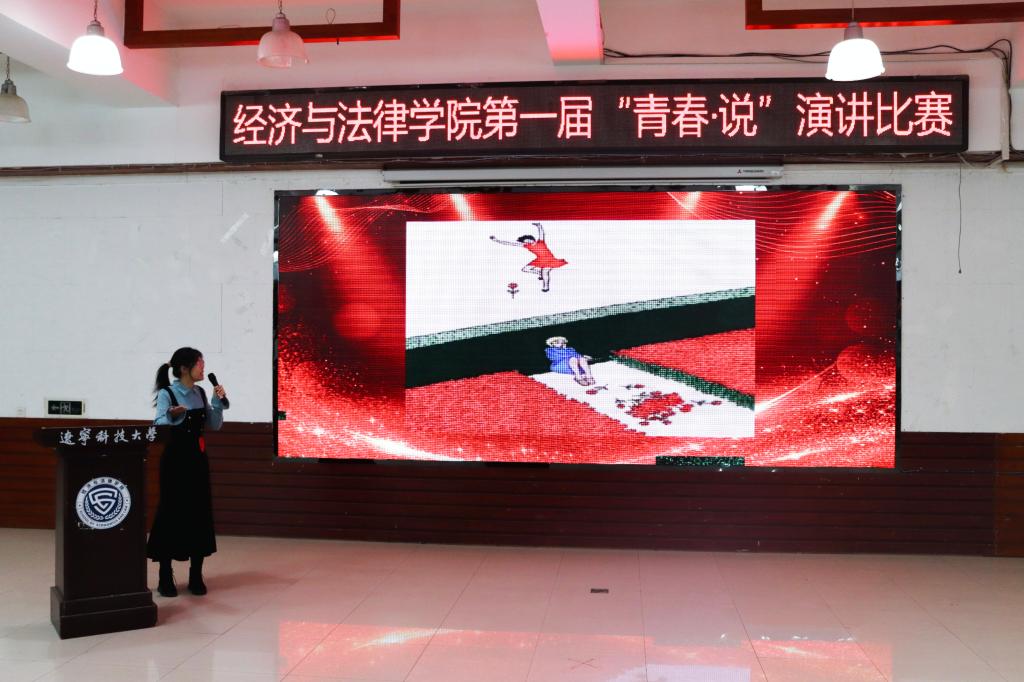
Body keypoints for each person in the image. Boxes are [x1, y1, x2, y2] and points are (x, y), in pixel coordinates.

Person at [147, 347, 227, 597]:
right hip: (175, 461)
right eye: (199, 364)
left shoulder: (200, 393)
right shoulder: (168, 393)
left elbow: (214, 424)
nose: (203, 368)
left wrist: (218, 402)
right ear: (184, 368)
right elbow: (158, 425)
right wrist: (172, 415)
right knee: (171, 513)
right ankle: (165, 575)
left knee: (198, 513)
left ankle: (195, 574)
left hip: (197, 460)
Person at [490, 222, 568, 292]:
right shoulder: (527, 246)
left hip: (550, 259)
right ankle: (539, 273)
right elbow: (510, 243)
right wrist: (496, 240)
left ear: (532, 239)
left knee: (545, 272)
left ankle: (546, 287)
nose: (528, 242)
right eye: (526, 242)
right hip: (539, 260)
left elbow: (541, 233)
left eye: (528, 240)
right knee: (525, 269)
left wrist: (539, 226)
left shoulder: (541, 241)